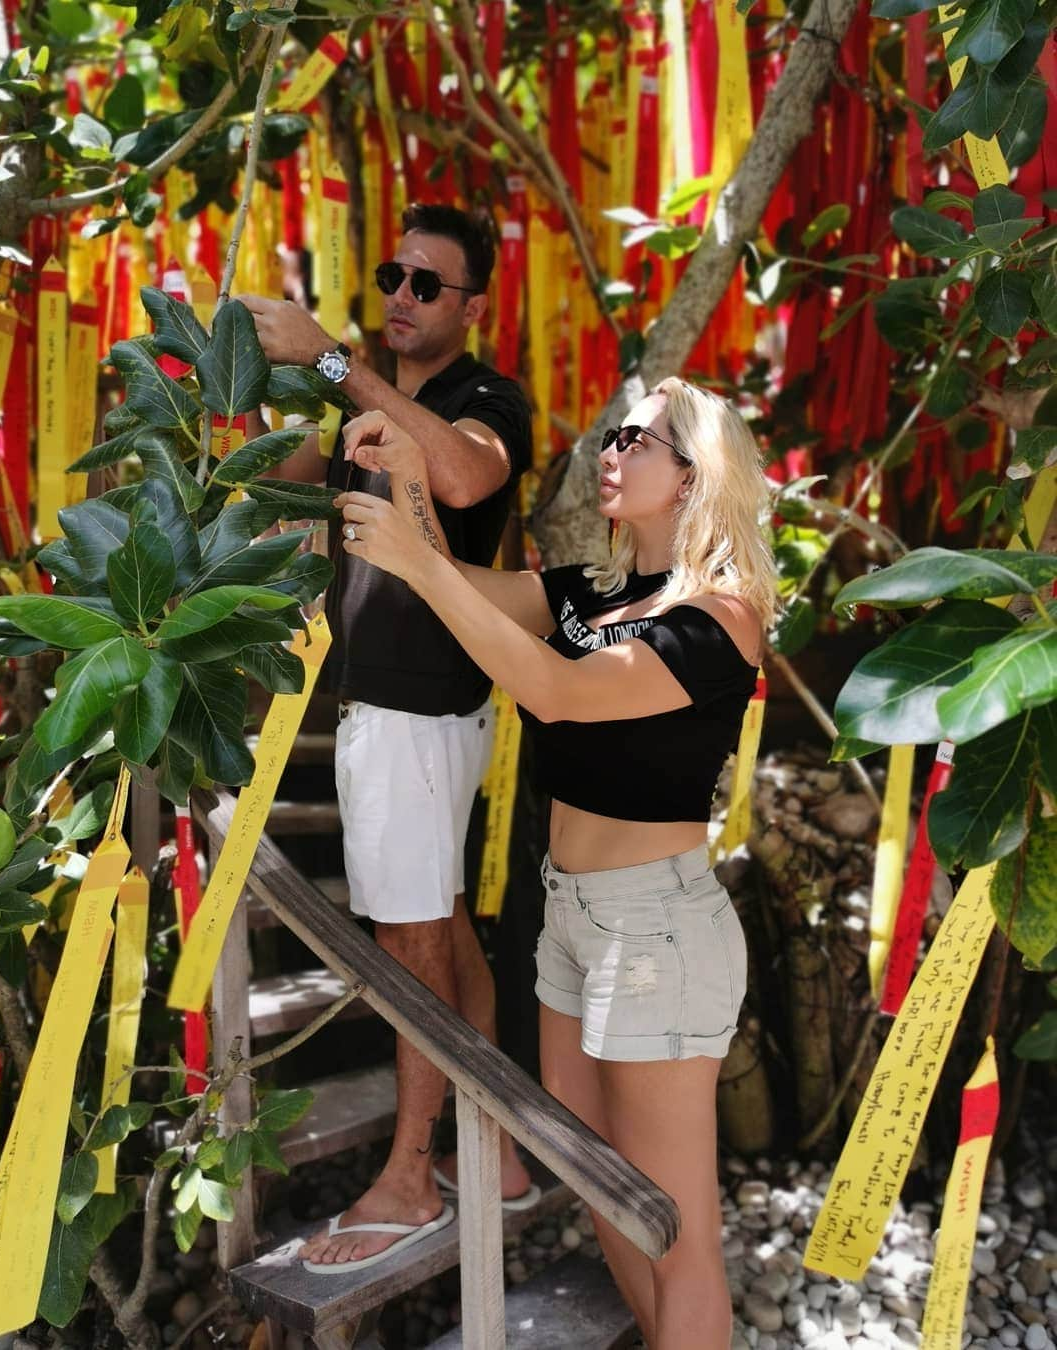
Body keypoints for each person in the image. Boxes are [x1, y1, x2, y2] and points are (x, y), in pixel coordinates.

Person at [329, 378, 778, 1349]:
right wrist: (410, 478)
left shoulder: (719, 615)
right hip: (572, 917)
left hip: (656, 930)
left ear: (698, 475)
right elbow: (453, 588)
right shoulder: (589, 591)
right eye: (610, 437)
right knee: (598, 1182)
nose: (608, 454)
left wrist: (421, 552)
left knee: (676, 1225)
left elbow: (556, 692)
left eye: (637, 442)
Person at [239, 204, 535, 1271]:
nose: (401, 297)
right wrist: (226, 400)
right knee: (442, 932)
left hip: (422, 710)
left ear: (471, 306)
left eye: (426, 285)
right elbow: (285, 492)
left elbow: (460, 478)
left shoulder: (482, 400)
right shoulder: (371, 405)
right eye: (391, 276)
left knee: (411, 952)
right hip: (387, 710)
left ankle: (410, 1179)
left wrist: (331, 361)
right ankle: (492, 1154)